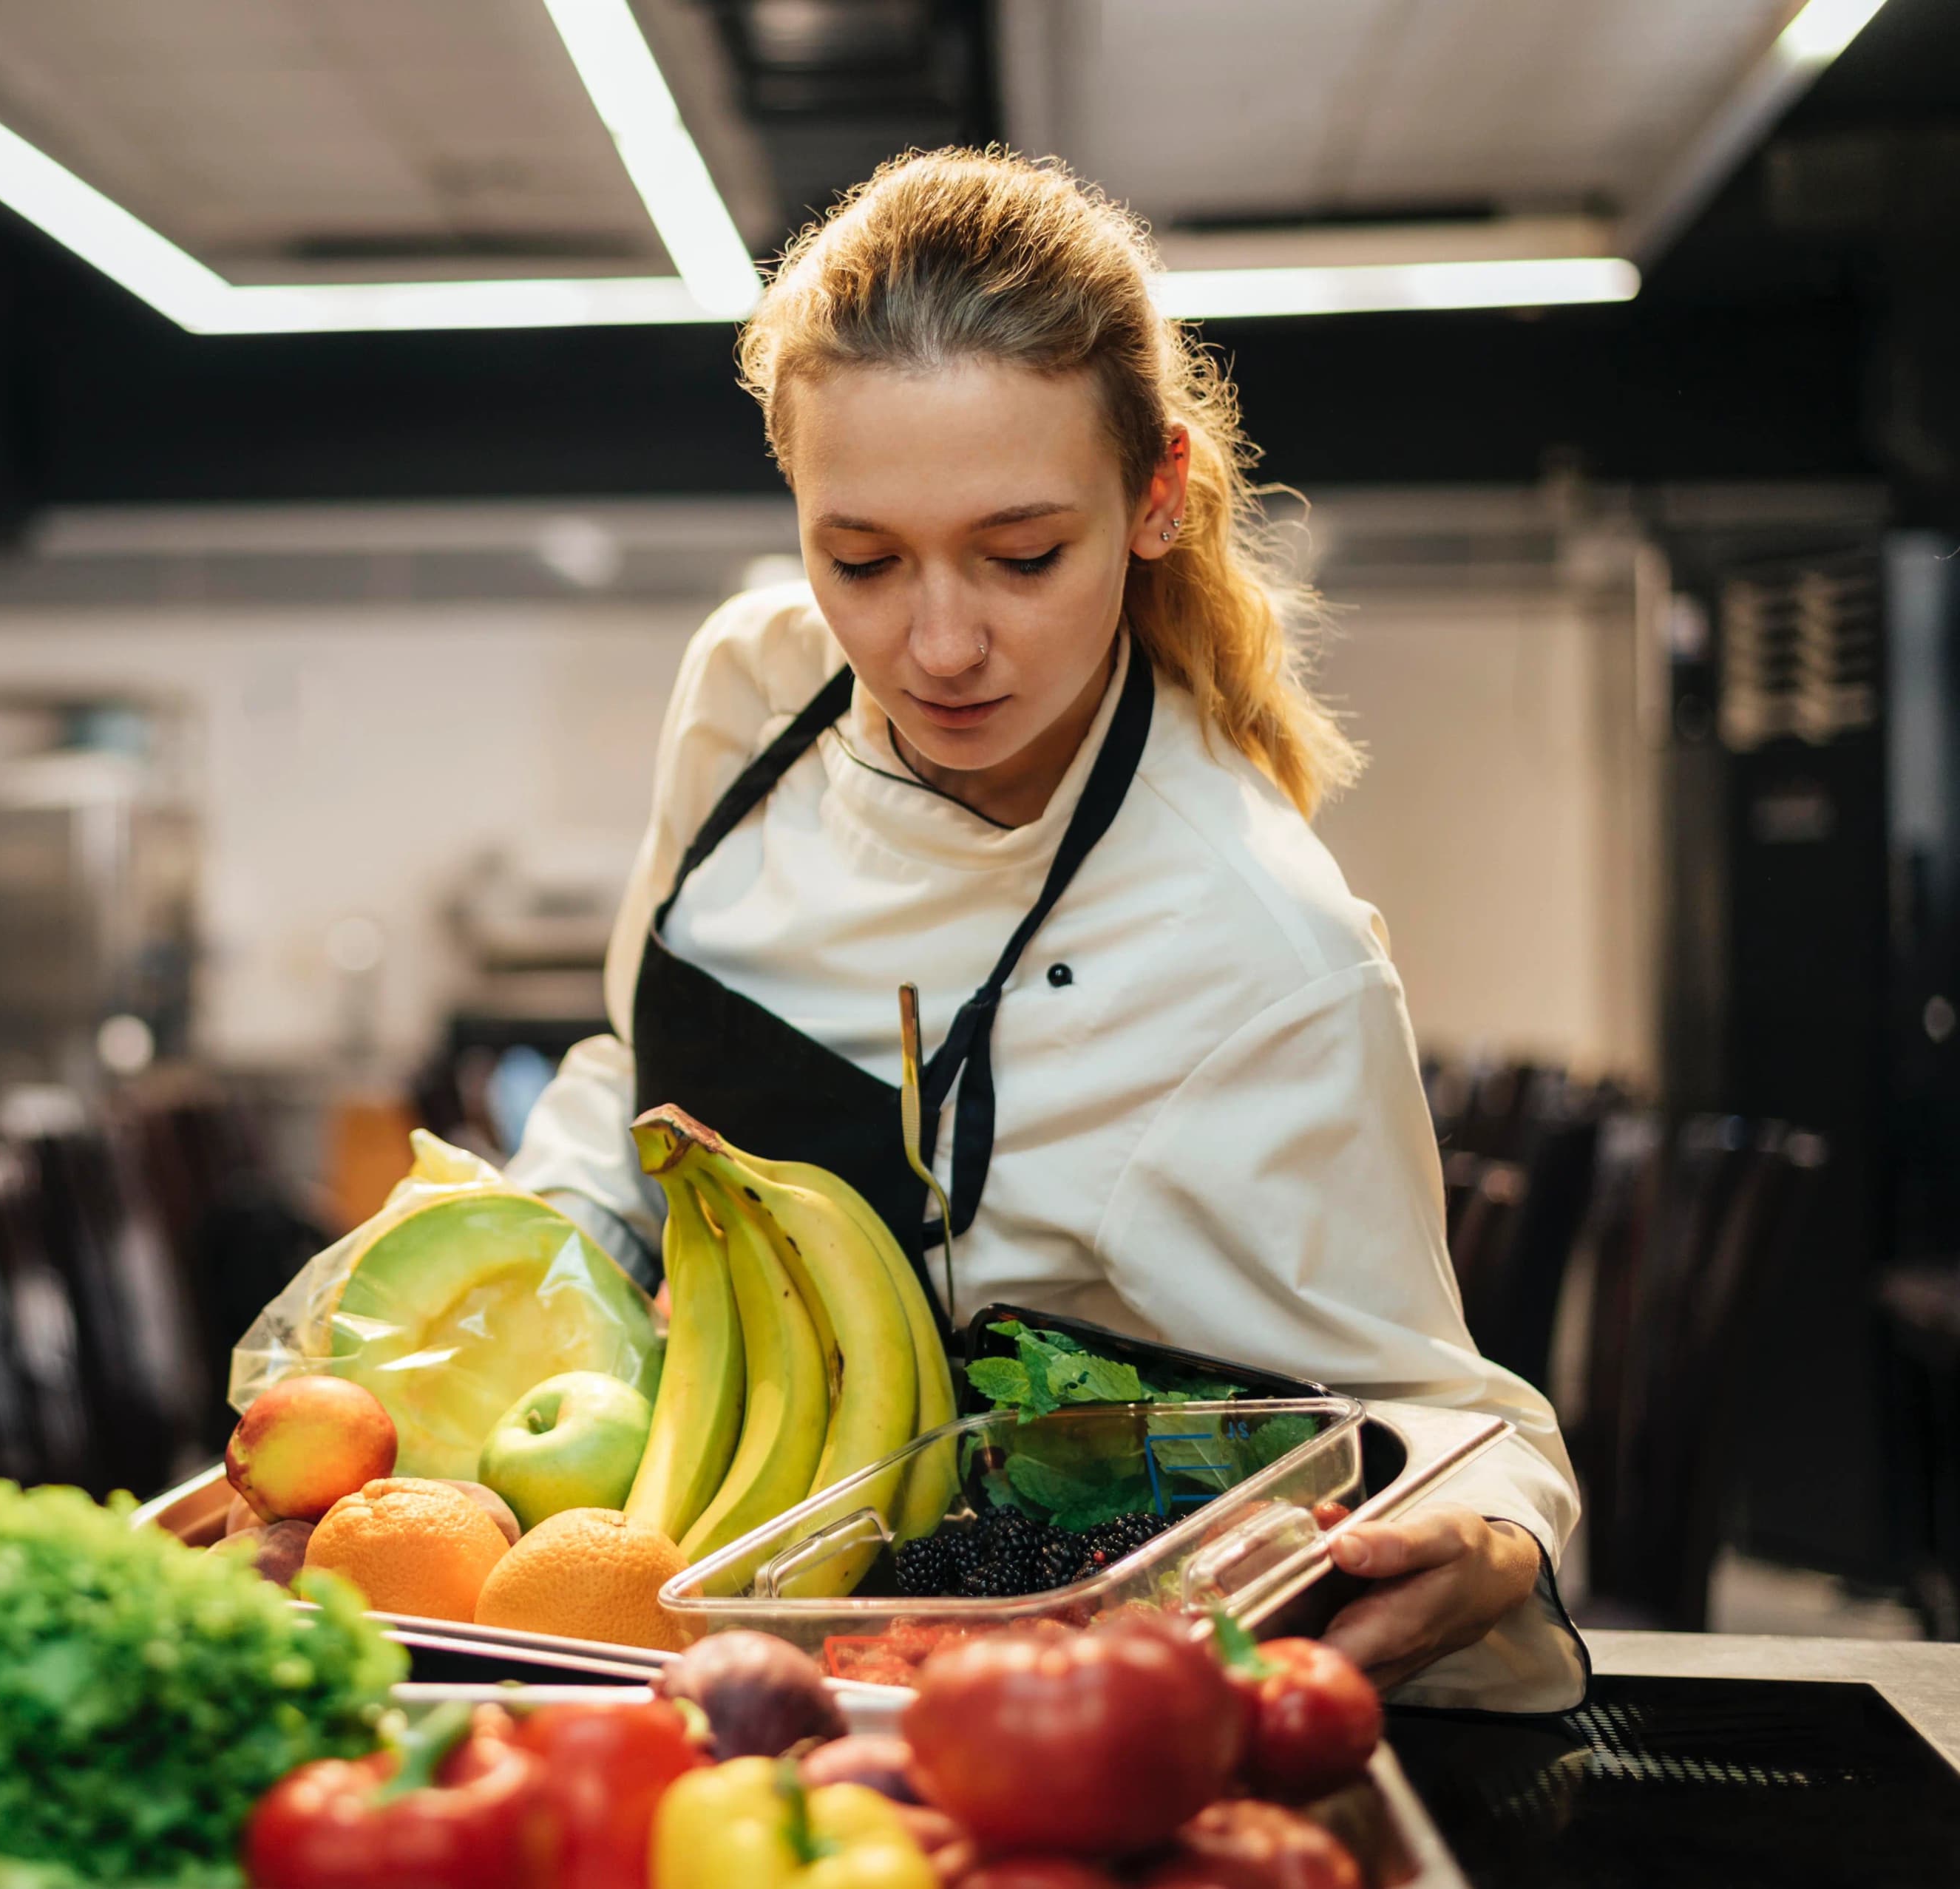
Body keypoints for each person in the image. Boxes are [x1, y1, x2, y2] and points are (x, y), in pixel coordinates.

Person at [506, 149, 1583, 1710]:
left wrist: (1484, 1539)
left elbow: (1443, 1419)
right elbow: (632, 1068)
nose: (935, 644)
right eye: (859, 558)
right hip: (669, 1602)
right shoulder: (755, 690)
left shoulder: (1263, 952)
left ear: (1156, 498)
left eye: (1023, 557)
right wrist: (505, 1287)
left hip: (1021, 1688)